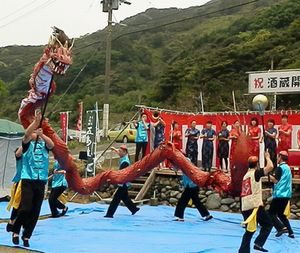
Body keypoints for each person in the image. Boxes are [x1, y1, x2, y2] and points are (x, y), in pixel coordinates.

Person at [12, 110, 54, 247]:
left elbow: (51, 145)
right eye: (34, 132)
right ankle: (15, 229)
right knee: (25, 208)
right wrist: (35, 123)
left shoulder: (44, 146)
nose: (36, 134)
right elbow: (26, 135)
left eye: (38, 132)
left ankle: (26, 235)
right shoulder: (27, 145)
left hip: (40, 181)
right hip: (28, 180)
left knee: (36, 211)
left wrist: (43, 135)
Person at [238, 152, 273, 253]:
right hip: (254, 207)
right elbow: (270, 166)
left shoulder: (246, 175)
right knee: (268, 224)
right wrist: (267, 157)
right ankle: (258, 244)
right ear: (257, 164)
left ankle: (243, 251)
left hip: (245, 206)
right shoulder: (256, 173)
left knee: (250, 230)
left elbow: (252, 189)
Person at [104, 145, 140, 218]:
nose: (119, 153)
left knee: (115, 199)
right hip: (124, 182)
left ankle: (109, 214)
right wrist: (114, 149)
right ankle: (134, 209)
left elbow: (121, 174)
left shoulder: (125, 162)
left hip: (123, 183)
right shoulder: (124, 157)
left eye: (120, 152)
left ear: (125, 152)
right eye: (119, 151)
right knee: (125, 198)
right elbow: (118, 152)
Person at [269, 151, 294, 238]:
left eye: (278, 157)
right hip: (287, 194)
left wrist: (269, 175)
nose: (277, 159)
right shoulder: (288, 168)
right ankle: (291, 232)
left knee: (271, 213)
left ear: (280, 157)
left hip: (279, 194)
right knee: (281, 214)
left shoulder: (280, 168)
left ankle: (281, 228)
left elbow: (276, 180)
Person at [6, 146, 23, 232]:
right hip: (19, 182)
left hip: (28, 183)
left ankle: (17, 222)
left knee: (24, 205)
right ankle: (11, 221)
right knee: (17, 204)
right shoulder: (19, 158)